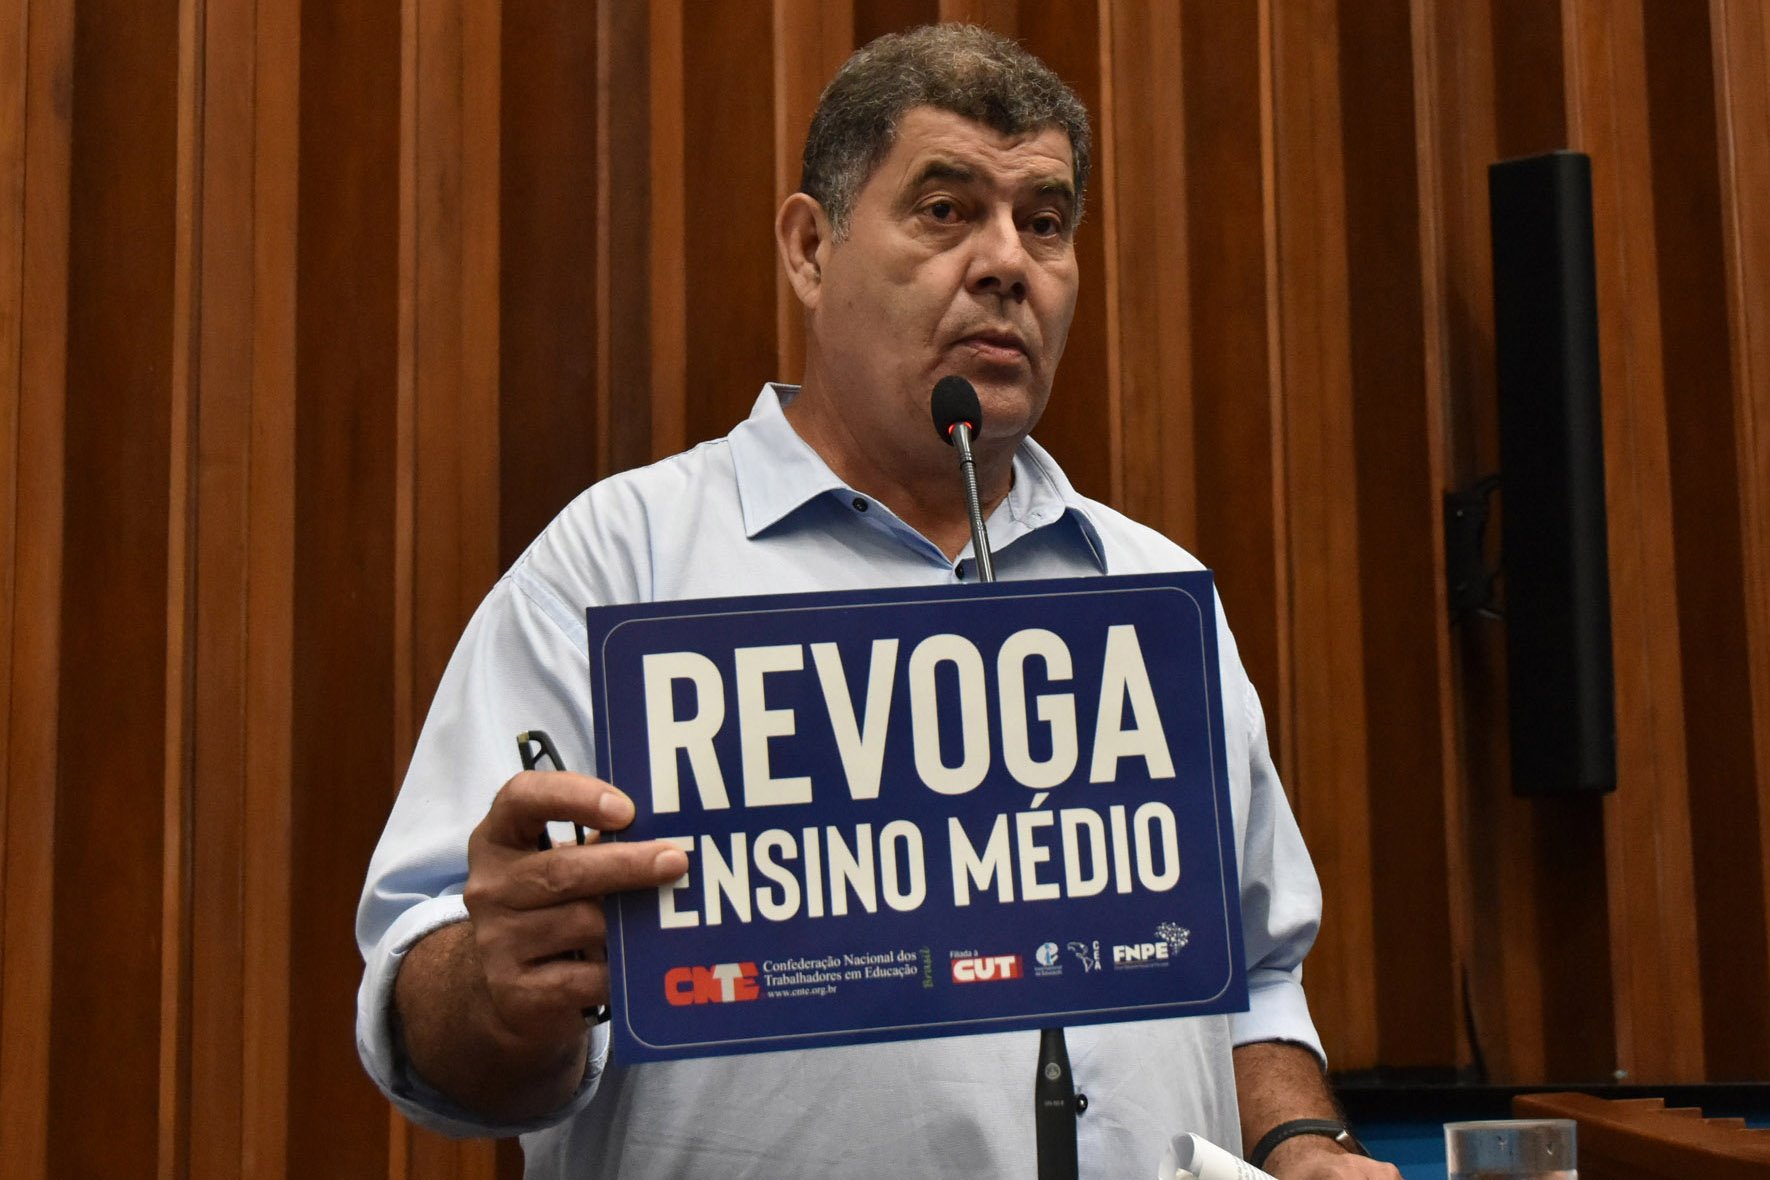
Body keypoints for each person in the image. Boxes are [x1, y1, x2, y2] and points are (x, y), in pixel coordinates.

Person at [357, 24, 1401, 1179]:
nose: (1007, 263)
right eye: (946, 210)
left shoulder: (1153, 592)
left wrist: (1303, 1141)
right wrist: (495, 985)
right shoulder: (621, 567)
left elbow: (1252, 974)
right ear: (812, 249)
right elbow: (426, 1006)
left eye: (1045, 222)